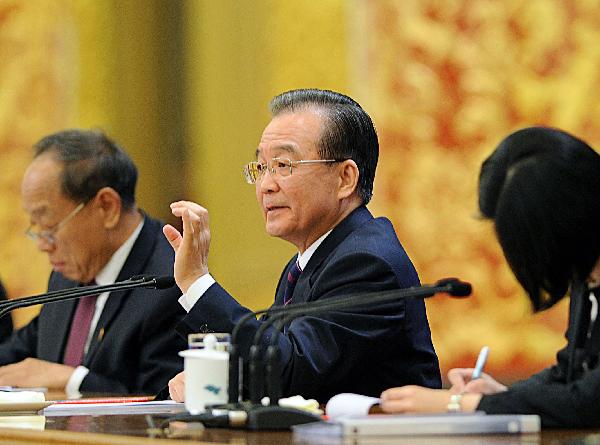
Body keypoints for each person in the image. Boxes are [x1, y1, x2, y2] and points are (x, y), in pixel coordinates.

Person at [164, 88, 441, 403]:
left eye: (283, 165)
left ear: (345, 179)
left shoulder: (367, 264)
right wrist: (218, 379)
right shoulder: (312, 260)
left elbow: (292, 374)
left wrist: (196, 282)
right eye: (261, 167)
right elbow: (279, 364)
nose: (266, 185)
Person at [378, 127, 600, 428]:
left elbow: (589, 402)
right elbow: (569, 375)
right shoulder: (587, 275)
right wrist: (500, 396)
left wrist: (459, 404)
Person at [0, 129, 186, 396]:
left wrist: (74, 380)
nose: (42, 244)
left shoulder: (171, 282)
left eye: (49, 225)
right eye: (36, 226)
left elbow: (166, 400)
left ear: (107, 207)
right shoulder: (70, 272)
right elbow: (25, 348)